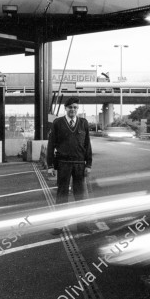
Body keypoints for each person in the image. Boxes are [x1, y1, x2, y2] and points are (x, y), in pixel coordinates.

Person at [47, 97, 92, 234]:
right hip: (63, 164)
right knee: (62, 195)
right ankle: (59, 226)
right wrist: (50, 166)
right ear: (65, 108)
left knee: (80, 196)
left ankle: (82, 226)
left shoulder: (83, 123)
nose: (73, 109)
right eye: (70, 107)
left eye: (75, 107)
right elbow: (51, 145)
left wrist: (88, 164)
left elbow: (87, 145)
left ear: (77, 109)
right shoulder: (57, 123)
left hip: (79, 164)